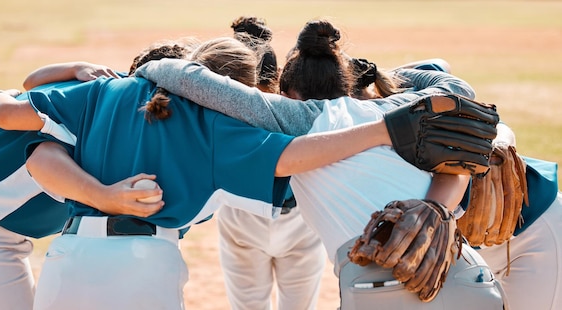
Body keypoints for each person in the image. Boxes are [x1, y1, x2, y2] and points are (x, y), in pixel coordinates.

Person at [0, 36, 409, 310]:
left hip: (67, 259)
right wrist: (381, 130)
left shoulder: (104, 88)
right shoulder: (216, 127)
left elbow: (24, 134)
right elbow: (292, 158)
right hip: (144, 264)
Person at [135, 20, 505, 308]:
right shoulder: (395, 110)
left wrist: (148, 70)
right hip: (470, 279)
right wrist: (380, 72)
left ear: (287, 93)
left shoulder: (298, 120)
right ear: (345, 82)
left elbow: (189, 78)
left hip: (384, 290)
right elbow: (456, 86)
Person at [0, 43, 189, 310]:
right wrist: (104, 197)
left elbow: (30, 82)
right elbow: (42, 158)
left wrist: (75, 67)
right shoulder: (119, 109)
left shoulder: (113, 90)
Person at [216, 16, 326, 310]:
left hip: (241, 214)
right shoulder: (297, 108)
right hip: (300, 218)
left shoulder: (219, 109)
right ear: (277, 75)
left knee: (247, 305)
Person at [459, 122, 562, 310]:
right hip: (468, 254)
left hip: (535, 231)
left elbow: (495, 124)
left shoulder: (410, 104)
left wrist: (498, 145)